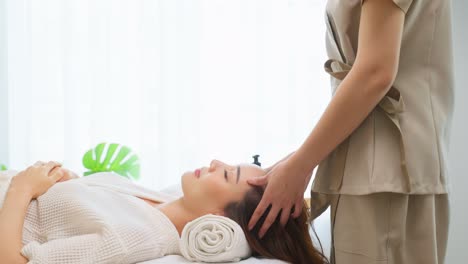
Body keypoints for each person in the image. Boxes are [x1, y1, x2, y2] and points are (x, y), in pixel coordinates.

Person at [247, 0, 453, 263]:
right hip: (381, 169)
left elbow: (375, 73)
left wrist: (301, 165)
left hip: (384, 175)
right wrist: (299, 161)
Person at [0, 160, 328, 264]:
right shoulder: (159, 200)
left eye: (227, 175)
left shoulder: (137, 237)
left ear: (224, 219)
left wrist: (21, 190)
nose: (214, 162)